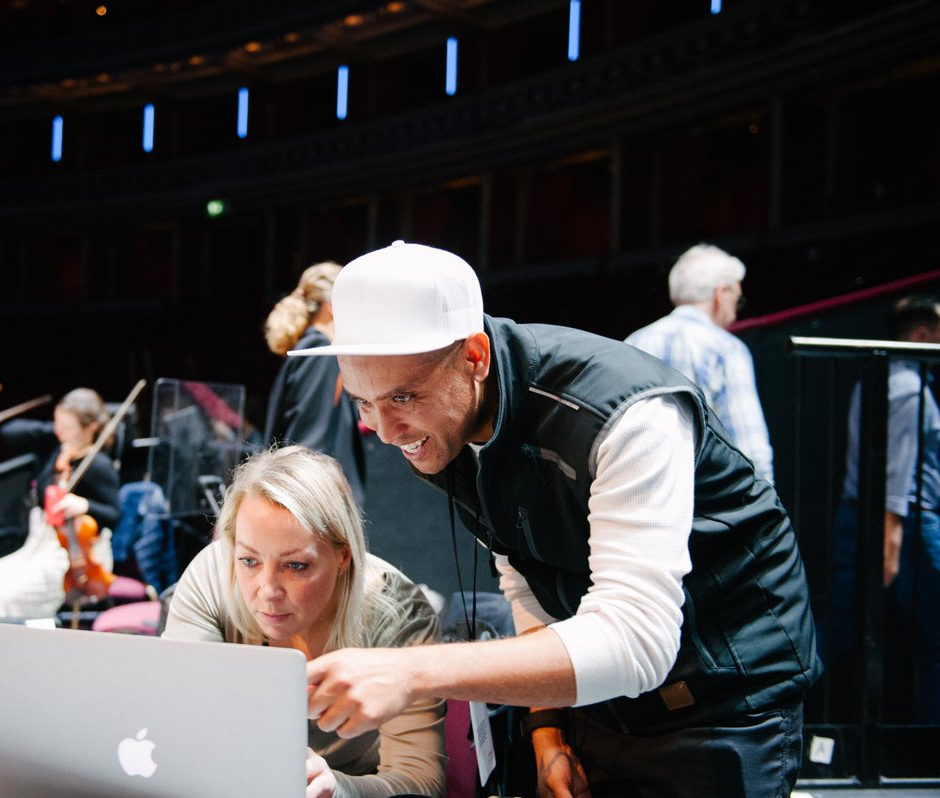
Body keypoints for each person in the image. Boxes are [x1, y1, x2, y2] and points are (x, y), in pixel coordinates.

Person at [291, 240, 820, 798]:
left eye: (402, 396)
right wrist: (548, 732)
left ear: (475, 355)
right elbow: (526, 576)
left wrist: (409, 670)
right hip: (598, 701)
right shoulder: (446, 426)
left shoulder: (629, 416)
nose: (382, 428)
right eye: (362, 401)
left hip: (723, 702)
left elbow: (636, 641)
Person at [162, 445, 445, 798]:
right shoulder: (212, 575)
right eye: (249, 561)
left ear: (344, 554)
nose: (267, 591)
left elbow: (420, 782)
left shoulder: (400, 612)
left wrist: (338, 788)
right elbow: (181, 723)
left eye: (295, 566)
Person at [823, 295, 940, 723]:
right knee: (932, 639)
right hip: (905, 521)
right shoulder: (910, 387)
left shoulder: (875, 379)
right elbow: (896, 471)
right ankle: (931, 749)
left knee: (843, 624)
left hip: (863, 515)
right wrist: (891, 541)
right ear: (923, 335)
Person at [0, 388, 120, 618]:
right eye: (57, 424)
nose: (59, 431)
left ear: (91, 428)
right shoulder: (58, 450)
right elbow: (10, 433)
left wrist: (84, 505)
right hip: (37, 548)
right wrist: (53, 433)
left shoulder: (99, 465)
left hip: (73, 558)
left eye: (66, 427)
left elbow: (114, 515)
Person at [625, 243, 775, 484]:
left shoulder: (634, 340)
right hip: (704, 500)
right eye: (738, 298)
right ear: (720, 294)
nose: (736, 311)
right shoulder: (726, 349)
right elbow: (749, 447)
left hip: (641, 490)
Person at [264, 262, 366, 507]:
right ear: (332, 308)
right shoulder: (320, 355)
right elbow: (308, 447)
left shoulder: (315, 352)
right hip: (313, 509)